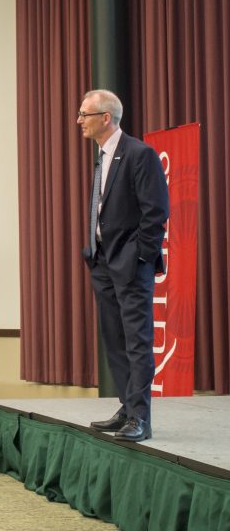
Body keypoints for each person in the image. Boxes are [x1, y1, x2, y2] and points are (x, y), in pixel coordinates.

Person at [78, 90, 169, 442]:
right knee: (114, 340)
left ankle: (141, 417)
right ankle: (127, 408)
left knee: (136, 340)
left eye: (85, 114)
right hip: (102, 262)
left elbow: (156, 211)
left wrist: (140, 257)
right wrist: (92, 251)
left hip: (131, 265)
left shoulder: (139, 154)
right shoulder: (103, 156)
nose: (79, 121)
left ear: (105, 118)